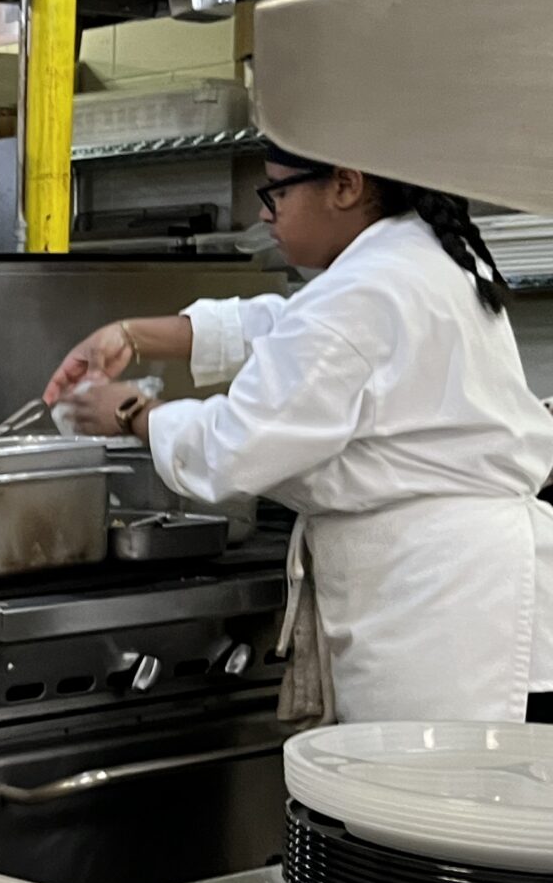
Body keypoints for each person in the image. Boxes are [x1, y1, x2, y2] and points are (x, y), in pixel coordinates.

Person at [46, 147, 553, 723]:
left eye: (277, 193)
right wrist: (134, 336)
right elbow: (295, 326)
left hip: (438, 615)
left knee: (426, 804)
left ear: (345, 185)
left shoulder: (368, 287)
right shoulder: (415, 254)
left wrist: (132, 411)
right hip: (469, 589)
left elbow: (234, 449)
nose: (266, 215)